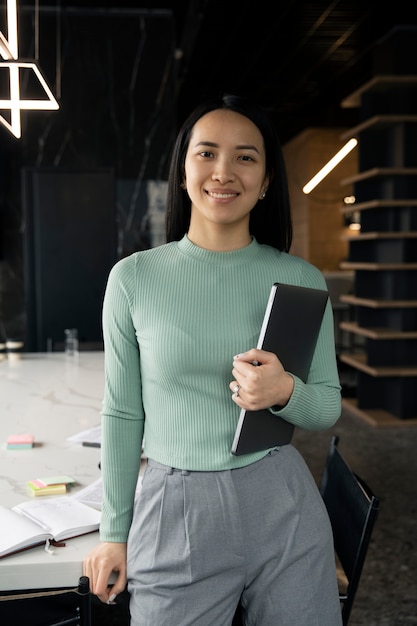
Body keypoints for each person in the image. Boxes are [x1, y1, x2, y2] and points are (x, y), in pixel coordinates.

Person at [83, 94, 343, 626]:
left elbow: (328, 406)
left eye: (246, 157)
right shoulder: (134, 278)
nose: (224, 172)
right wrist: (114, 532)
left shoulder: (301, 278)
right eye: (206, 154)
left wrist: (285, 392)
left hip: (282, 501)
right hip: (174, 506)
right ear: (183, 171)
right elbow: (122, 413)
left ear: (267, 179)